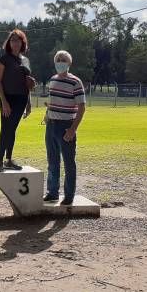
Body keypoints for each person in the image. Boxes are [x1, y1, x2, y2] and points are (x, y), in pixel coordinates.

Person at [44, 50, 86, 205]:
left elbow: (82, 107)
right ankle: (52, 192)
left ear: (69, 63)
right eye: (58, 59)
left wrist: (72, 129)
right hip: (51, 126)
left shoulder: (75, 82)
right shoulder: (53, 80)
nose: (60, 62)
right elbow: (51, 101)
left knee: (69, 163)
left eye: (63, 60)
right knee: (52, 162)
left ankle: (69, 196)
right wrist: (47, 115)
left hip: (66, 127)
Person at [0, 29, 33, 173]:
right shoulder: (4, 59)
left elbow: (27, 83)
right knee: (5, 128)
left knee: (13, 129)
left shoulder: (26, 60)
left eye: (17, 40)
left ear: (23, 42)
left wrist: (29, 103)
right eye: (12, 40)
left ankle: (9, 160)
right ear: (9, 43)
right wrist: (4, 101)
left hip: (21, 98)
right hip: (8, 98)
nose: (14, 43)